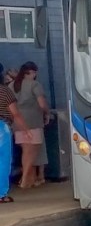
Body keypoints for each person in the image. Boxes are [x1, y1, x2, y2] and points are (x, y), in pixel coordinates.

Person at [8, 62, 50, 189]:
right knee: (32, 152)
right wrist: (47, 113)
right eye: (34, 72)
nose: (35, 75)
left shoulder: (11, 85)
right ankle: (25, 178)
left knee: (25, 152)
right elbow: (42, 104)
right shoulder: (34, 85)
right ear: (29, 73)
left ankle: (29, 178)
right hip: (33, 122)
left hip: (17, 122)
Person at [0, 62, 32, 203]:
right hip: (1, 128)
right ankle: (1, 194)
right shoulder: (4, 91)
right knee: (3, 162)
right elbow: (16, 114)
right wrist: (26, 130)